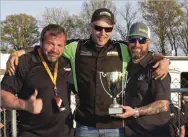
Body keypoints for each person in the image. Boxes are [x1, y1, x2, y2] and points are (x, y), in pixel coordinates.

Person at [6, 8, 170, 137]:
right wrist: (19, 52)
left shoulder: (122, 48)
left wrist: (164, 59)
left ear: (112, 30)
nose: (103, 33)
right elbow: (51, 46)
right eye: (98, 28)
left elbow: (141, 50)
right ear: (90, 27)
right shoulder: (75, 47)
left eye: (108, 29)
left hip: (116, 126)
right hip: (85, 126)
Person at [1, 24, 74, 137]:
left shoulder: (67, 62)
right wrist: (25, 105)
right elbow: (2, 96)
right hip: (32, 133)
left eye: (59, 45)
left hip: (65, 133)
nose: (55, 49)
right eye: (50, 44)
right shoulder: (23, 62)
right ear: (41, 42)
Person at [116, 22, 172, 137]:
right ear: (127, 41)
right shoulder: (125, 64)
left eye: (142, 40)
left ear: (149, 42)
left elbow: (163, 104)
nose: (137, 44)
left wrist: (135, 112)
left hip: (154, 132)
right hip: (129, 132)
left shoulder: (157, 66)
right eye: (132, 40)